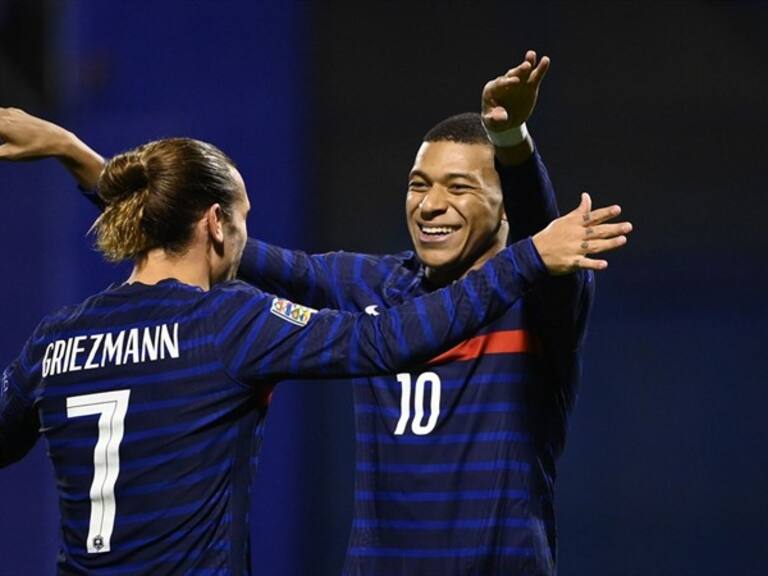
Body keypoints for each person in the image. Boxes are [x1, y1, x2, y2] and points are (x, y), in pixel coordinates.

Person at [0, 52, 632, 575]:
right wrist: (78, 155)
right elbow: (189, 230)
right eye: (418, 183)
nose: (432, 204)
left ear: (505, 210)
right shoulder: (367, 285)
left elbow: (547, 246)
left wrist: (512, 144)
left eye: (459, 187)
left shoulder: (535, 297)